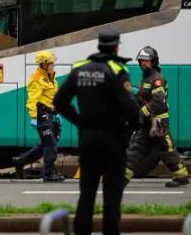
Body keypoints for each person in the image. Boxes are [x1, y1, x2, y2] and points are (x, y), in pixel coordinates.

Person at [53, 30, 140, 235]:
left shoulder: (81, 70)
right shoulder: (116, 70)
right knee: (111, 198)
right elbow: (131, 108)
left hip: (88, 140)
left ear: (99, 46)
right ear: (116, 47)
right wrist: (128, 132)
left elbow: (59, 101)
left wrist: (79, 121)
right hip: (113, 141)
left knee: (86, 195)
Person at [124, 46, 189, 188]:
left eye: (146, 61)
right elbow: (145, 99)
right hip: (148, 123)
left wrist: (142, 113)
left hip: (158, 122)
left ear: (154, 61)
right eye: (141, 61)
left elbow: (158, 101)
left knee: (167, 150)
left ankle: (181, 176)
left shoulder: (157, 79)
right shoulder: (146, 79)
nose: (143, 64)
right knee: (136, 149)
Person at [12, 50, 65, 182]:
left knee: (46, 144)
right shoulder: (37, 79)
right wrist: (34, 117)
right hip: (42, 115)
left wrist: (57, 113)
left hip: (51, 114)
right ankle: (48, 174)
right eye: (51, 63)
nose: (54, 65)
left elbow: (51, 97)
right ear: (44, 64)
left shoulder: (50, 76)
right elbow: (32, 100)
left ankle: (20, 161)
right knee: (51, 144)